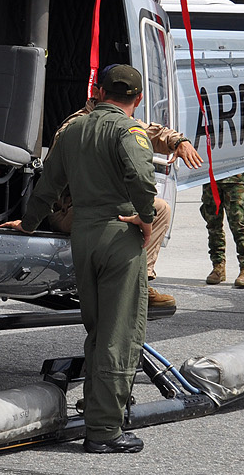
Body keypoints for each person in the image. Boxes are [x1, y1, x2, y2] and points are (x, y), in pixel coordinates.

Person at [0, 64, 157, 455]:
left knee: (97, 329)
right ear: (136, 98)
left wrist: (29, 224)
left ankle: (95, 409)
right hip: (119, 236)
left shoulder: (73, 130)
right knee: (120, 334)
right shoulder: (130, 130)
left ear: (99, 90)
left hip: (83, 237)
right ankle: (105, 430)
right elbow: (141, 176)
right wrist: (146, 216)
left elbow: (48, 185)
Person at [45, 87, 203, 315]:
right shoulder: (76, 127)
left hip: (97, 207)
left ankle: (140, 282)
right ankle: (119, 282)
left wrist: (180, 141)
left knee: (160, 209)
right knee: (135, 208)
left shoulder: (122, 122)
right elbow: (52, 180)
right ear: (99, 94)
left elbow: (155, 133)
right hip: (72, 208)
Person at [202, 166, 244, 288]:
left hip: (234, 178)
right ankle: (218, 267)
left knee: (238, 225)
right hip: (211, 178)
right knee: (213, 225)